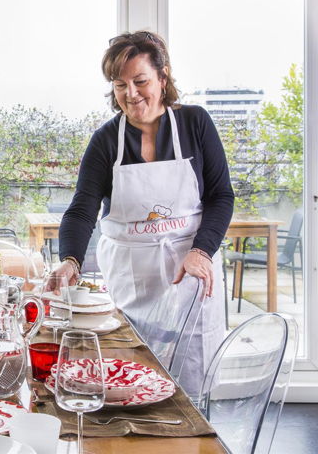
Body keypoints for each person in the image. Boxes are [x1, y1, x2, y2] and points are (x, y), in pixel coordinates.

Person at [54, 30, 234, 391]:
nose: (131, 94)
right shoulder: (106, 140)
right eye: (120, 85)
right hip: (132, 281)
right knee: (128, 380)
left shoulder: (195, 123)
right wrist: (70, 260)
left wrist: (201, 251)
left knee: (191, 385)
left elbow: (221, 196)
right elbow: (82, 210)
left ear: (162, 78)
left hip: (190, 275)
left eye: (140, 81)